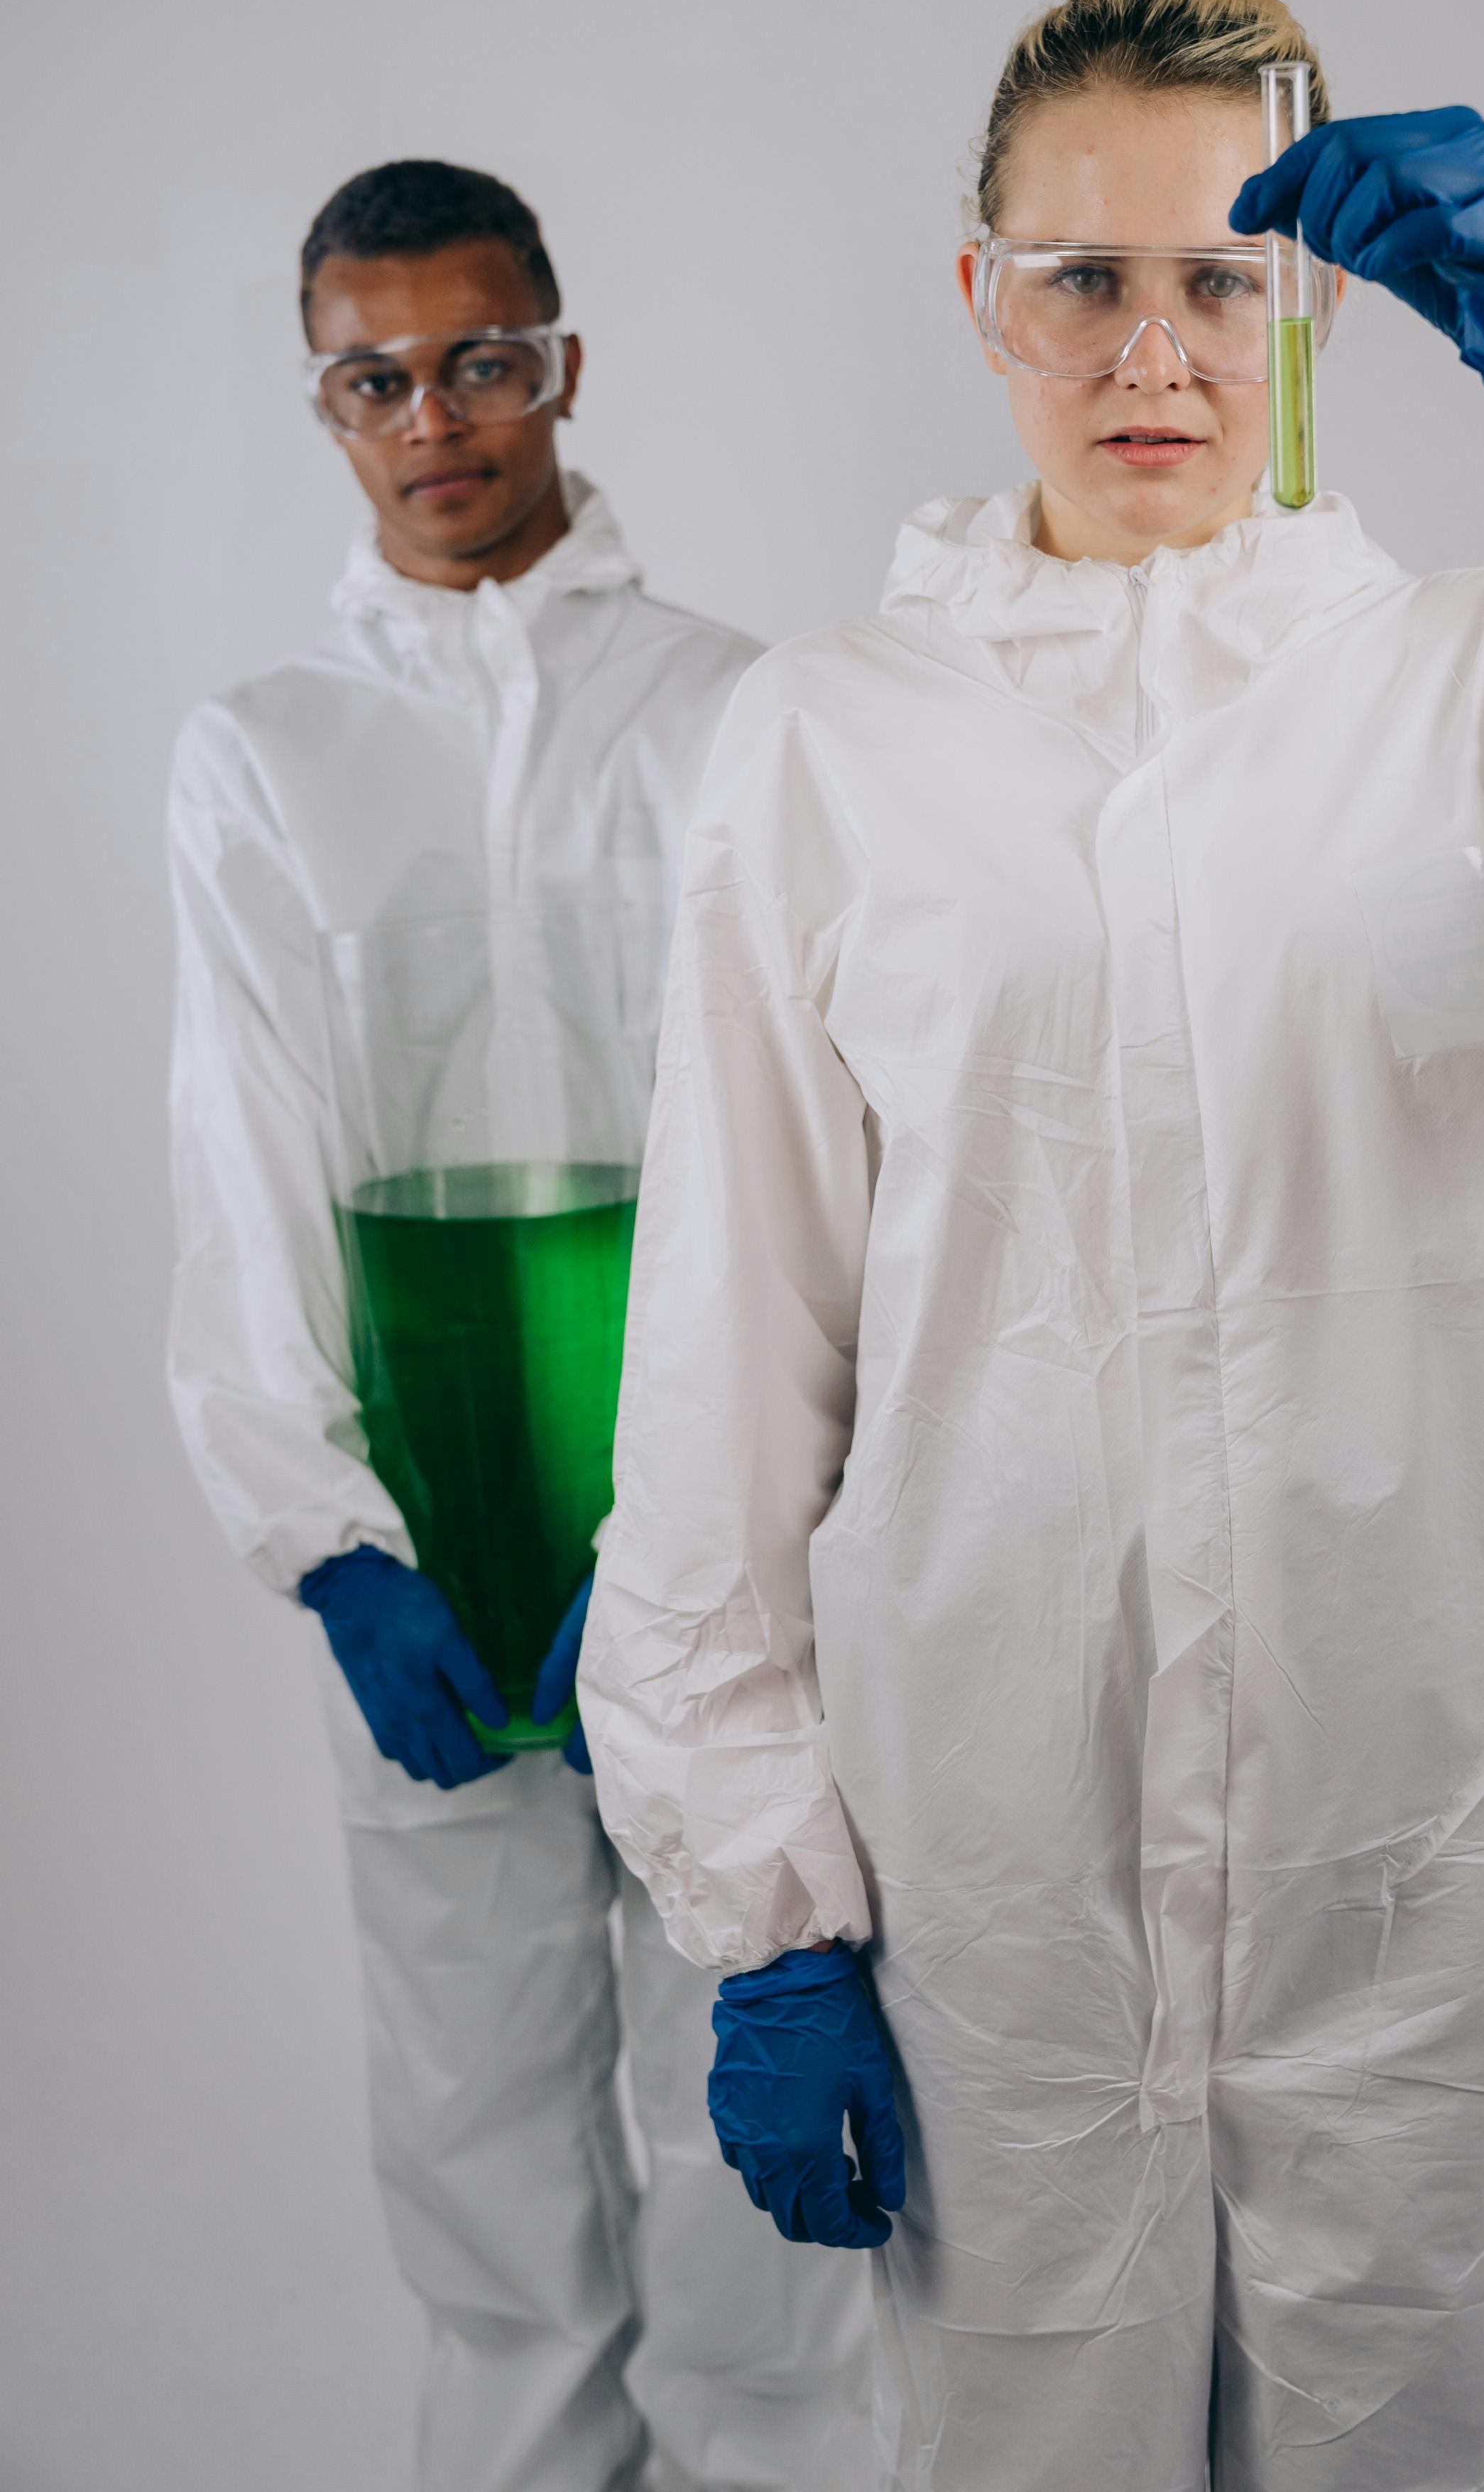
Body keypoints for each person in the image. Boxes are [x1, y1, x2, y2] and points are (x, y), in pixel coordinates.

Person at [577, 0, 1484, 2492]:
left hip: (1403, 1899)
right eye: (1083, 278)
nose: (1151, 349)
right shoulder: (831, 744)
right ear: (980, 300)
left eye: (1221, 277)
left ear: (1309, 302)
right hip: (993, 1915)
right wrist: (757, 1907)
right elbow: (727, 1365)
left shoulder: (1479, 685)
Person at [166, 158, 878, 2492]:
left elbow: (826, 1154)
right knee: (484, 2182)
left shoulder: (738, 712)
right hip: (433, 1555)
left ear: (560, 364)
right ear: (324, 409)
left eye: (480, 360)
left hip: (717, 1554)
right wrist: (328, 1548)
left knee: (759, 2222)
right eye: (373, 378)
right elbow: (244, 1153)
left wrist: (738, 1536)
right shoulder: (265, 754)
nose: (435, 418)